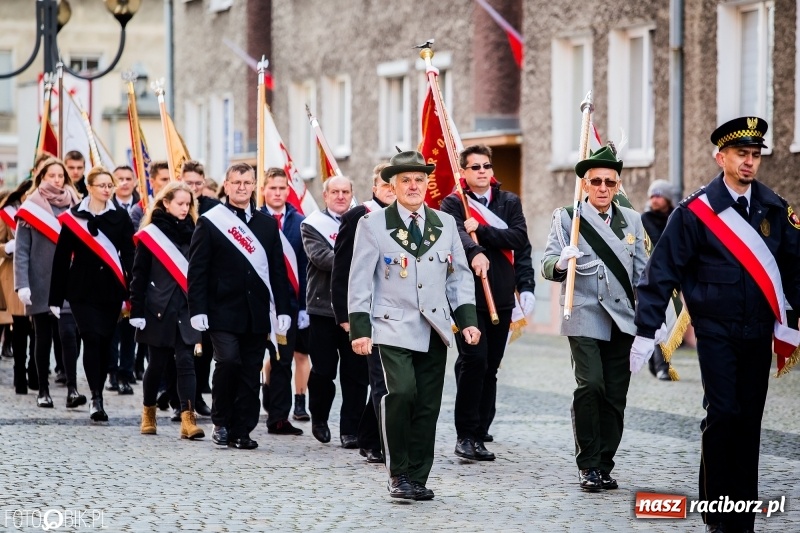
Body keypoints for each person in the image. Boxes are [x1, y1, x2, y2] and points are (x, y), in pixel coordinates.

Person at [632, 117, 800, 533]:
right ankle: (719, 513)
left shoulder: (774, 208)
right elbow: (662, 271)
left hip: (758, 329)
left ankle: (742, 515)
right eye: (741, 154)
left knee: (750, 420)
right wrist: (645, 328)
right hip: (716, 330)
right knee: (723, 413)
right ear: (720, 157)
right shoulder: (695, 212)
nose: (749, 162)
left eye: (755, 155)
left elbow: (794, 269)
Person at [348, 150, 480, 501]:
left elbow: (459, 278)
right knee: (401, 393)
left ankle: (417, 477)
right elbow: (360, 280)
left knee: (427, 406)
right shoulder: (373, 224)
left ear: (427, 184)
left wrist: (467, 320)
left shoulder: (444, 223)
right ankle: (399, 472)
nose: (413, 185)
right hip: (390, 325)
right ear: (392, 184)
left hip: (435, 327)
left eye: (419, 179)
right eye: (405, 180)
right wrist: (361, 328)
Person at [541, 146, 646, 492]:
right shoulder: (567, 217)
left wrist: (650, 319)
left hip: (623, 317)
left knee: (615, 394)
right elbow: (547, 264)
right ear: (585, 184)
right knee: (591, 385)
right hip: (584, 309)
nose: (603, 188)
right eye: (596, 181)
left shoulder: (632, 219)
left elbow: (643, 272)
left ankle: (604, 463)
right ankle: (587, 464)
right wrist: (561, 262)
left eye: (610, 182)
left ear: (617, 186)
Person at [440, 144, 536, 461]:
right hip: (467, 297)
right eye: (475, 167)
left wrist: (482, 230)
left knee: (491, 367)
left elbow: (519, 238)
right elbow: (457, 237)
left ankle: (481, 430)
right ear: (464, 173)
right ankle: (465, 435)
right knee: (473, 361)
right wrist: (474, 248)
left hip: (502, 295)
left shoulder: (509, 202)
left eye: (486, 166)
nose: (482, 171)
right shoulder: (454, 204)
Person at [188, 162, 291, 450]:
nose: (242, 187)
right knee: (228, 361)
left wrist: (283, 309)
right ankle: (221, 422)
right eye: (236, 182)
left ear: (254, 185)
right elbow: (197, 270)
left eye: (247, 182)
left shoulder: (267, 224)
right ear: (227, 184)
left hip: (256, 311)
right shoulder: (210, 221)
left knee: (250, 371)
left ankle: (242, 429)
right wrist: (197, 309)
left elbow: (277, 271)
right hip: (222, 310)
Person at [50, 166, 136, 421]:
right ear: (89, 187)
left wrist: (132, 288)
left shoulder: (120, 217)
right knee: (90, 337)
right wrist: (55, 298)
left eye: (110, 185)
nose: (108, 189)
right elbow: (61, 257)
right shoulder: (74, 217)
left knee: (106, 341)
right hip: (81, 289)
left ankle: (98, 391)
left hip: (110, 289)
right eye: (103, 185)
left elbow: (129, 253)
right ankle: (96, 398)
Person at [331, 162, 394, 463]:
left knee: (388, 381)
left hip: (398, 312)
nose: (392, 191)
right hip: (367, 311)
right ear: (374, 187)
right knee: (376, 380)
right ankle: (377, 442)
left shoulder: (410, 217)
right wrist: (345, 314)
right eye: (386, 186)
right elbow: (343, 268)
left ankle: (370, 435)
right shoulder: (361, 215)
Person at [131, 182, 204, 440]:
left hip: (185, 308)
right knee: (157, 364)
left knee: (186, 363)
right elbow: (139, 274)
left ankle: (188, 418)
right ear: (166, 203)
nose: (185, 209)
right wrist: (136, 310)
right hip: (157, 308)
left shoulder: (195, 232)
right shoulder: (152, 234)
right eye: (180, 203)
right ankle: (148, 411)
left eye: (188, 204)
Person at [301, 175, 368, 448]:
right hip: (323, 309)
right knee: (324, 370)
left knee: (356, 374)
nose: (340, 196)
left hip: (356, 309)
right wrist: (362, 260)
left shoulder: (363, 222)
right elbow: (323, 259)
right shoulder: (312, 225)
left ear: (352, 194)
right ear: (325, 195)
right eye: (335, 192)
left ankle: (350, 430)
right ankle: (319, 417)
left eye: (345, 191)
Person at [14, 158, 82, 408]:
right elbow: (22, 250)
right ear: (41, 177)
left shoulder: (75, 204)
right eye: (51, 175)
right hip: (40, 281)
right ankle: (43, 389)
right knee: (42, 338)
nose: (57, 179)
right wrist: (22, 284)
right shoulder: (30, 207)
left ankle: (72, 389)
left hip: (68, 282)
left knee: (68, 334)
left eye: (60, 175)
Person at [258, 167, 306, 435]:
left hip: (287, 304)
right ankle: (242, 415)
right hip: (257, 303)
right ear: (263, 189)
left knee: (283, 361)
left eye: (282, 188)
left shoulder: (300, 221)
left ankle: (278, 417)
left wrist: (304, 306)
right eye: (272, 188)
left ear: (288, 191)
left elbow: (304, 265)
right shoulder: (252, 219)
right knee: (252, 360)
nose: (277, 193)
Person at [179, 160, 219, 417]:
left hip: (207, 285)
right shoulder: (177, 208)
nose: (193, 189)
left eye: (197, 183)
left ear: (203, 183)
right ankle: (179, 398)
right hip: (178, 285)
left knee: (205, 345)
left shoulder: (213, 209)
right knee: (182, 347)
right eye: (188, 183)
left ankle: (199, 395)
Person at [106, 165, 140, 394]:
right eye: (119, 179)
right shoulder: (107, 208)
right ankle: (112, 372)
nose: (124, 182)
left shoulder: (142, 206)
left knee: (130, 327)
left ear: (136, 181)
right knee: (112, 328)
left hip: (134, 272)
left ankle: (126, 373)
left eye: (129, 178)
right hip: (111, 272)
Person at [0, 180, 35, 394]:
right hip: (12, 276)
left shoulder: (45, 214)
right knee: (20, 328)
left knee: (38, 330)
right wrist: (9, 247)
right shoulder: (6, 214)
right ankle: (19, 375)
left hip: (38, 276)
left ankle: (35, 372)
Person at [640, 179, 675, 381]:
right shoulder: (644, 219)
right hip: (651, 278)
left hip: (673, 279)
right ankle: (661, 366)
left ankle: (657, 364)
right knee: (658, 322)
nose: (654, 199)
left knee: (669, 325)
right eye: (652, 195)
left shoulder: (675, 217)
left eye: (659, 195)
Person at [130, 161, 170, 229]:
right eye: (164, 179)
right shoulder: (139, 209)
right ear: (152, 182)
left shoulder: (180, 206)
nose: (169, 183)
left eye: (171, 179)